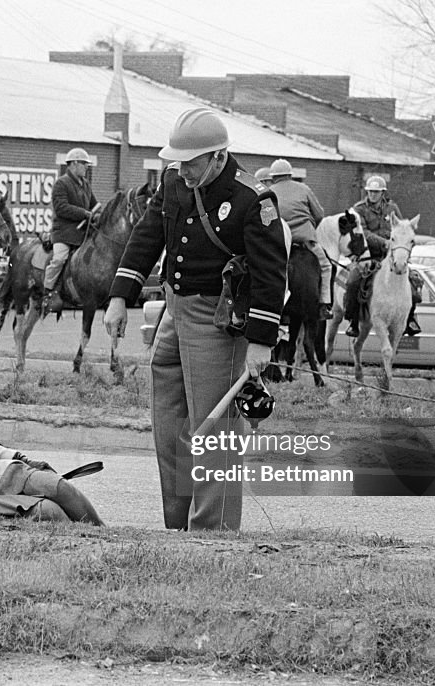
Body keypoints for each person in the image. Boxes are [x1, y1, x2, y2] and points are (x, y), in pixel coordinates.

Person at [103, 107, 288, 531]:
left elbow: (270, 273)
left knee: (214, 430)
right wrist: (119, 295)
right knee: (169, 427)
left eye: (191, 163)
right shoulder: (173, 179)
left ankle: (213, 532)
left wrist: (261, 342)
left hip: (217, 320)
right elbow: (149, 234)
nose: (182, 170)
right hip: (175, 310)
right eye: (178, 162)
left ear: (218, 158)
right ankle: (177, 525)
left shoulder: (252, 199)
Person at [343, 175, 422, 337]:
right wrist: (383, 242)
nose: (373, 195)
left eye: (376, 192)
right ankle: (353, 320)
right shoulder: (359, 209)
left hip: (391, 257)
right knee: (353, 282)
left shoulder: (392, 208)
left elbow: (401, 227)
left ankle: (410, 319)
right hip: (367, 257)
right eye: (370, 191)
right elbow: (362, 232)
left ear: (382, 193)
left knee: (413, 285)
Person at [267, 158, 333, 319]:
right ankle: (324, 305)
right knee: (325, 267)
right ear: (290, 175)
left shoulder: (267, 191)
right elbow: (319, 214)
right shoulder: (304, 188)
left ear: (273, 177)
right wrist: (310, 230)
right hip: (306, 240)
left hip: (280, 242)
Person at [43, 147, 101, 313]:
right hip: (65, 233)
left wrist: (98, 216)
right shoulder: (61, 183)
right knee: (59, 259)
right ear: (74, 164)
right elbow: (61, 208)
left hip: (83, 232)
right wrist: (85, 213)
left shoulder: (86, 185)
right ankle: (47, 292)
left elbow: (93, 205)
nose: (86, 167)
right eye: (84, 164)